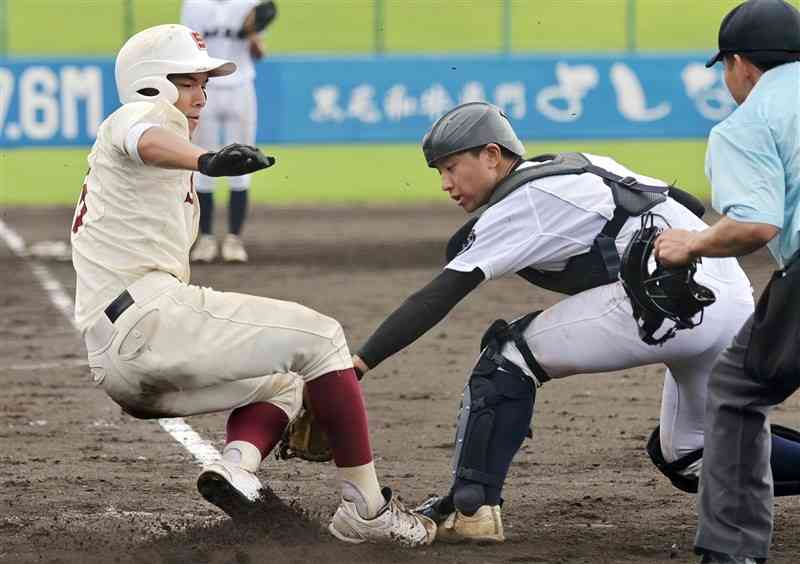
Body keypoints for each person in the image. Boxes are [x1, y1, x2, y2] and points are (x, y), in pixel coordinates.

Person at [70, 24, 434, 547]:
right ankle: (368, 510)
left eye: (204, 85)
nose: (201, 97)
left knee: (286, 382)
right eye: (189, 82)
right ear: (152, 82)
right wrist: (207, 160)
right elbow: (143, 136)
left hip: (120, 361)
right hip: (148, 320)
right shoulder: (137, 117)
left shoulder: (142, 150)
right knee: (324, 337)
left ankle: (236, 468)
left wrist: (201, 159)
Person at [350, 100, 773, 545]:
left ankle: (471, 508)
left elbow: (440, 294)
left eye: (452, 167)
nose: (445, 184)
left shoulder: (526, 201)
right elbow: (683, 201)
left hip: (670, 302)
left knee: (508, 356)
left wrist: (360, 363)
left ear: (492, 155)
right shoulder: (573, 167)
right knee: (693, 457)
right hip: (729, 297)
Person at [656, 1, 800, 563]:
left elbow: (755, 225)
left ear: (740, 64)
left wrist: (690, 243)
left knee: (737, 391)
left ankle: (732, 552)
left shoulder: (749, 122)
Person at [181, 0, 276, 263]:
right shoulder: (194, 5)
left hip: (241, 87)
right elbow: (187, 50)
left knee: (245, 159)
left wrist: (253, 34)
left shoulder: (250, 2)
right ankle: (207, 239)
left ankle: (234, 239)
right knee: (202, 161)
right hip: (207, 88)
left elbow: (259, 54)